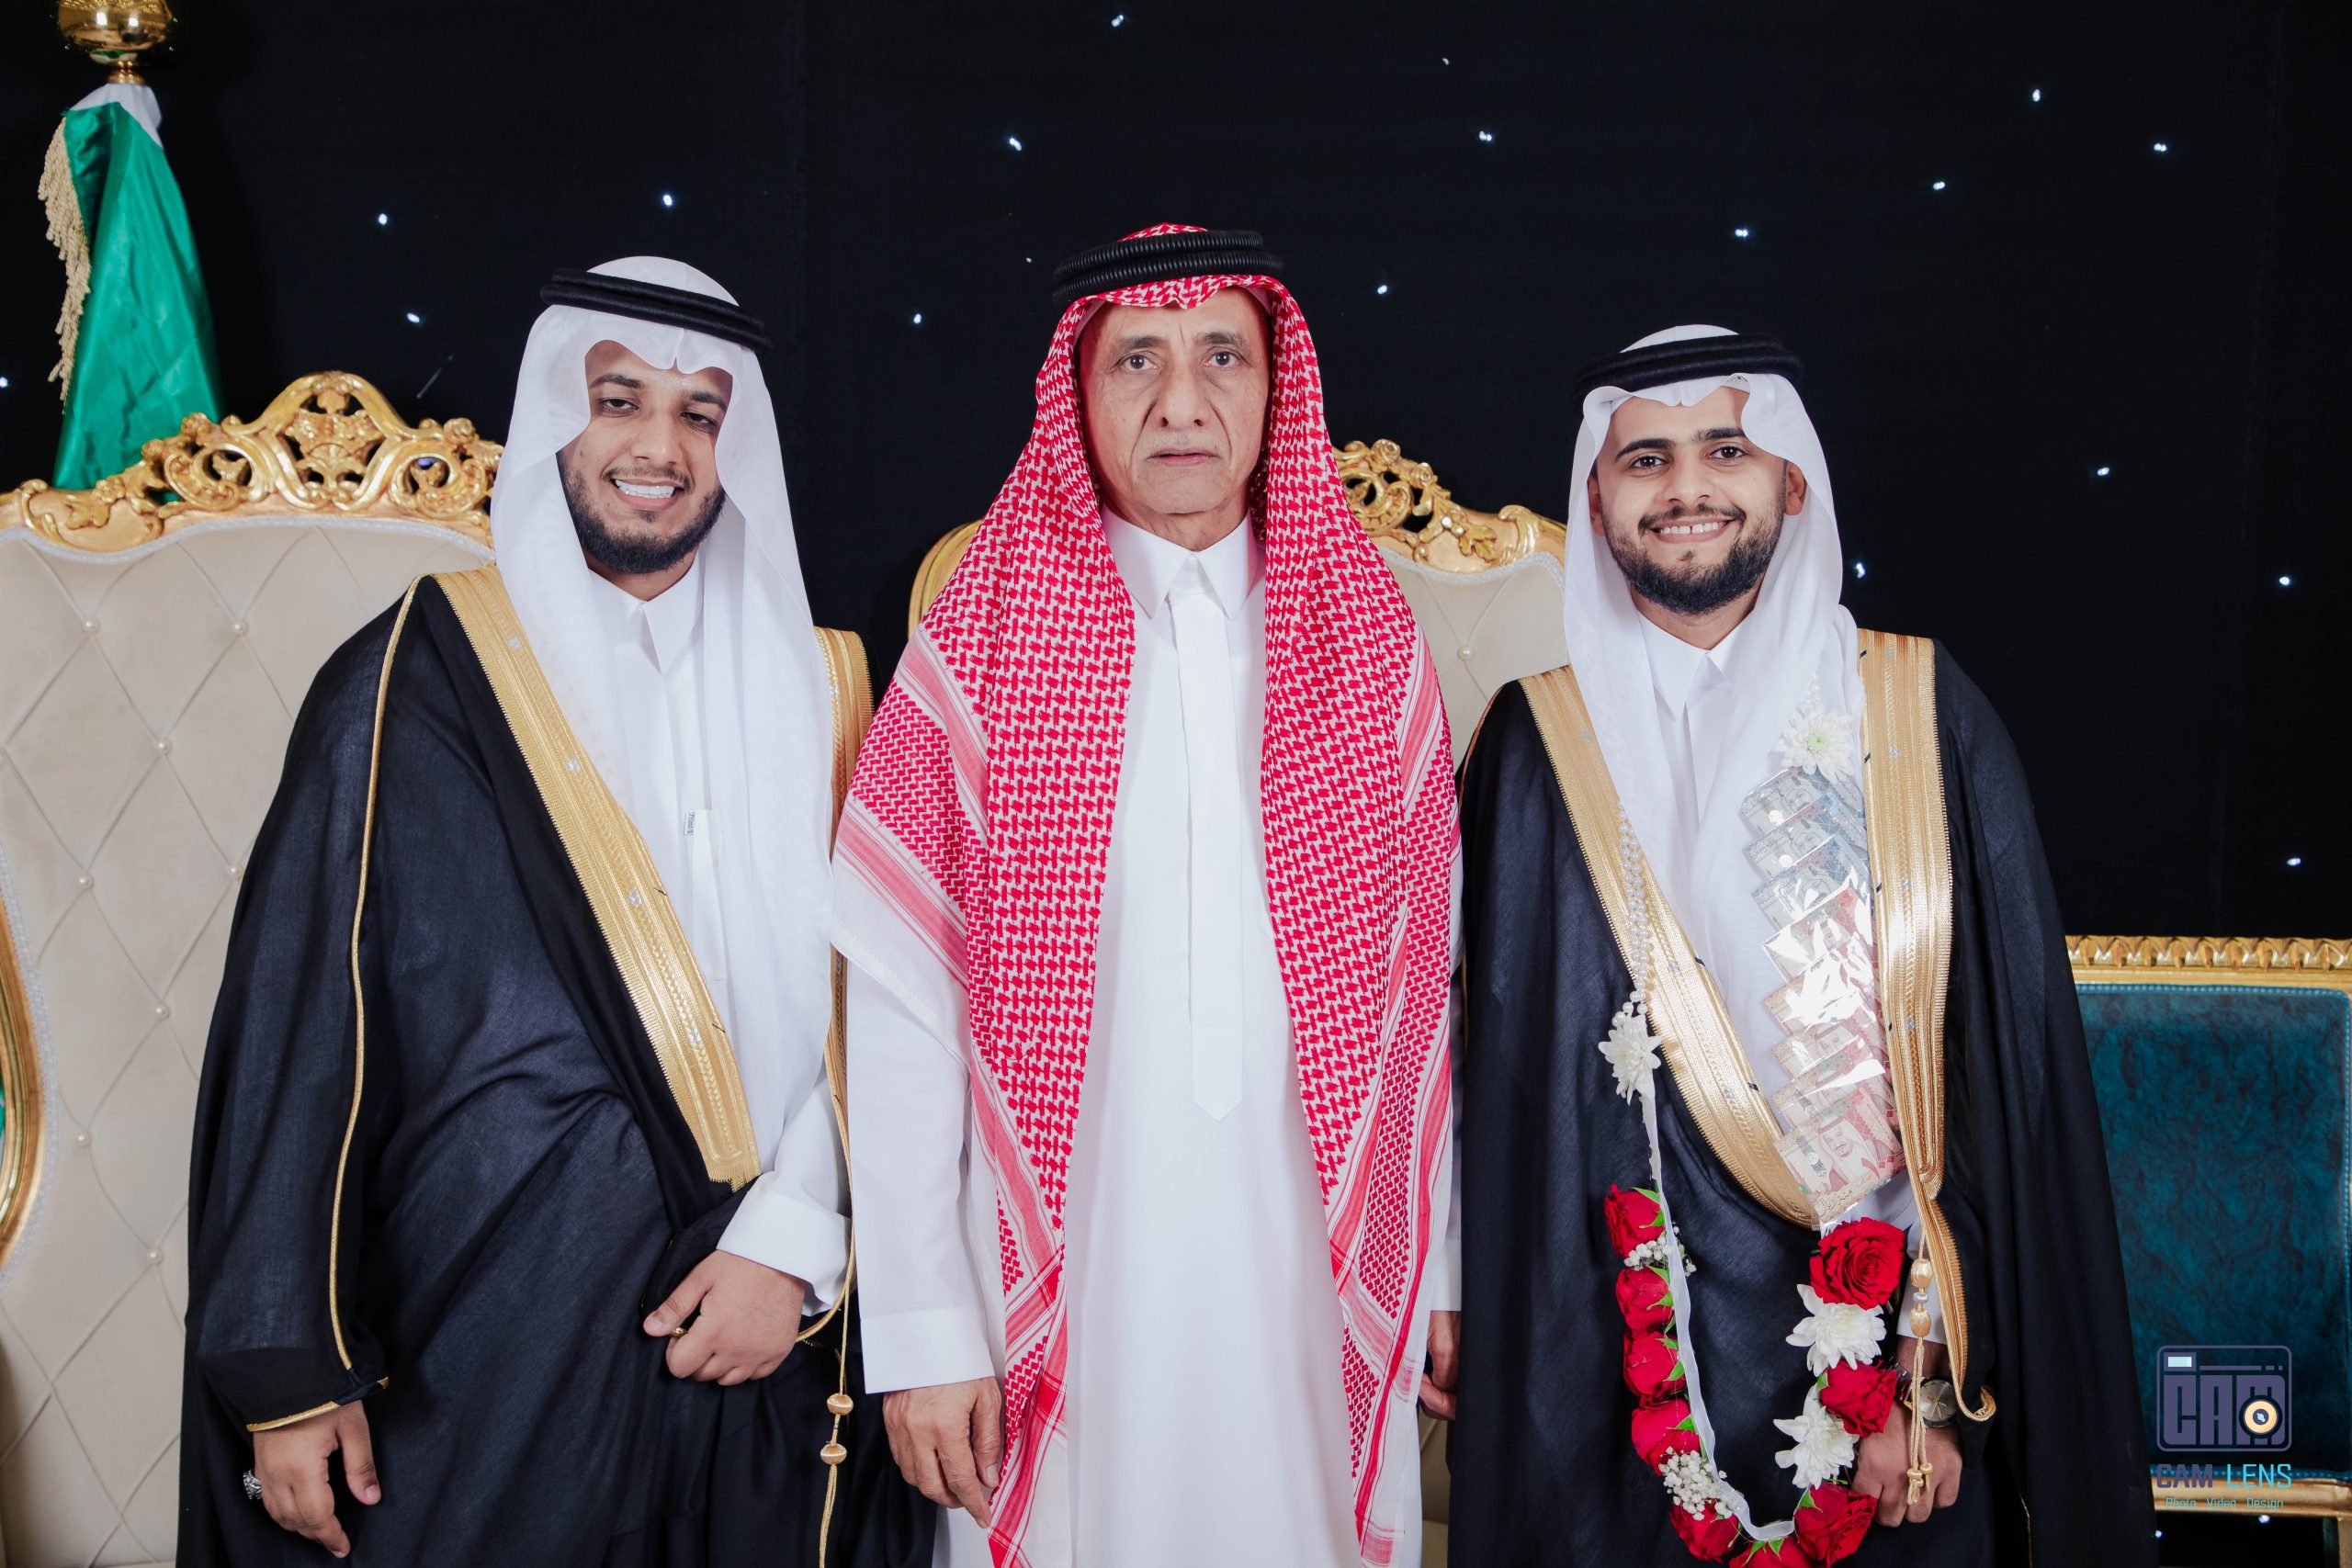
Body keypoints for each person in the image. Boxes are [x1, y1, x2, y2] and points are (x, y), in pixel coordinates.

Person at [178, 257, 928, 1565]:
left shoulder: (830, 694)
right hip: (488, 1327)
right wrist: (287, 1367)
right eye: (618, 399)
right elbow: (301, 1028)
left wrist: (798, 1243)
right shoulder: (415, 675)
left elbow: (890, 1006)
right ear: (553, 422)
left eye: (699, 413)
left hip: (765, 1329)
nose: (659, 446)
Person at [1443, 327, 2150, 1565]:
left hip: (1883, 1363)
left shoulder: (1918, 713)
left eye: (1727, 450)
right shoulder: (1534, 742)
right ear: (1597, 500)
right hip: (1610, 1366)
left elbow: (2000, 1082)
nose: (1687, 489)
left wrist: (1929, 1370)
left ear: (1792, 480)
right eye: (1646, 460)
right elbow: (1483, 1084)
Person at [831, 225, 1458, 1567]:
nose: (1183, 401)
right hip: (1067, 1275)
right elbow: (899, 1008)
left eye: (1223, 355)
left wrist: (1441, 1265)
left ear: (1276, 389)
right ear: (1078, 392)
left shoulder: (1366, 635)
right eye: (1137, 362)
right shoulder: (982, 642)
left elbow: (1427, 1000)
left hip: (1310, 1269)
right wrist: (928, 1330)